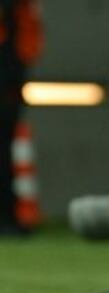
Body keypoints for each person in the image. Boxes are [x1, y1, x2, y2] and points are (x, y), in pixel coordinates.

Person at [0, 0, 43, 235]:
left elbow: (29, 39)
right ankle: (8, 216)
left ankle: (8, 215)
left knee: (5, 149)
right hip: (10, 71)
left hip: (10, 73)